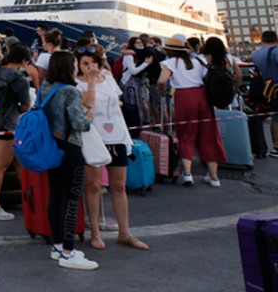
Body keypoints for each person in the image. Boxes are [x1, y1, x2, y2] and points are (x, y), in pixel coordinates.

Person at [75, 48, 147, 251]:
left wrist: (125, 134)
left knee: (119, 186)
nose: (89, 67)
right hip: (93, 137)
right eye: (84, 63)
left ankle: (125, 232)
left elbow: (118, 105)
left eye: (92, 63)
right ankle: (95, 232)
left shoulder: (108, 79)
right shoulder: (76, 84)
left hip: (116, 135)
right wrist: (90, 79)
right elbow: (87, 103)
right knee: (94, 186)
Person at [39, 51, 97, 270]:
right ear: (68, 67)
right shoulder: (70, 91)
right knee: (71, 198)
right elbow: (78, 123)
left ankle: (58, 245)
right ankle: (68, 252)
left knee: (55, 196)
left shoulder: (45, 88)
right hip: (70, 147)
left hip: (51, 147)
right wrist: (89, 117)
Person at [158, 37, 227, 186]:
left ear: (169, 51)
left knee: (186, 134)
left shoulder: (170, 62)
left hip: (184, 97)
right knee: (209, 134)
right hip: (202, 96)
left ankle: (188, 174)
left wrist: (161, 91)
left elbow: (162, 81)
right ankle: (214, 176)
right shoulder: (199, 61)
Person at [0, 44, 34, 220]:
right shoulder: (19, 79)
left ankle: (31, 200)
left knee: (20, 162)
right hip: (8, 125)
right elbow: (25, 106)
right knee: (0, 166)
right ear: (24, 61)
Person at [251, 31, 278, 154]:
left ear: (262, 40)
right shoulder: (276, 51)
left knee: (275, 116)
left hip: (267, 88)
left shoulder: (255, 53)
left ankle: (276, 146)